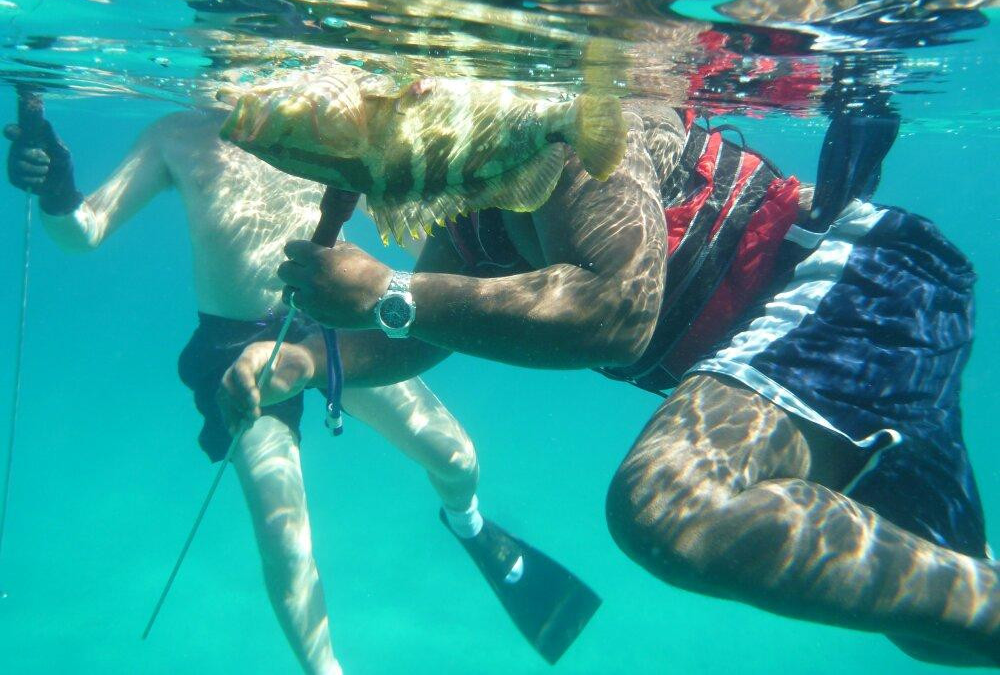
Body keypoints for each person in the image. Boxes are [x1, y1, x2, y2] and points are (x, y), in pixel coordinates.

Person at [219, 94, 999, 667]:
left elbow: (615, 313)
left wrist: (387, 295)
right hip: (841, 332)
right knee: (941, 628)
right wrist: (310, 363)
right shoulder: (476, 200)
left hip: (853, 294)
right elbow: (430, 330)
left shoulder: (566, 133)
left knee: (672, 507)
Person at [3, 99, 599, 674]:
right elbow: (84, 232)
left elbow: (414, 219)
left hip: (334, 323)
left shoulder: (331, 121)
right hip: (240, 356)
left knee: (457, 457)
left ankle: (469, 524)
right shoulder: (176, 134)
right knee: (287, 544)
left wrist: (485, 241)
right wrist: (56, 186)